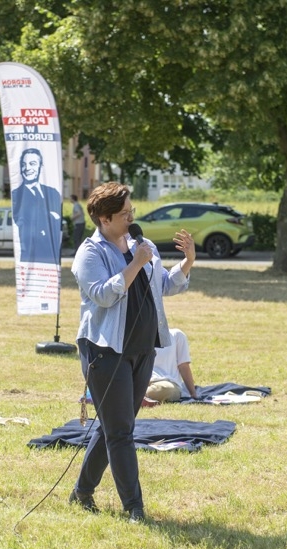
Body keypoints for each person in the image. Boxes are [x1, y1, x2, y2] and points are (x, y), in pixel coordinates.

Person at [69, 181, 196, 523]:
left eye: (132, 212)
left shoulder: (143, 245)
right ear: (105, 219)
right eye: (125, 214)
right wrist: (135, 264)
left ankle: (81, 492)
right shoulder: (90, 253)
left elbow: (164, 287)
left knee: (114, 425)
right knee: (121, 431)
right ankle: (134, 508)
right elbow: (103, 295)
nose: (131, 219)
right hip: (104, 350)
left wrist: (186, 263)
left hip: (142, 348)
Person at [11, 147, 63, 263]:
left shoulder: (53, 193)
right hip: (30, 255)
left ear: (41, 167)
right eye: (24, 164)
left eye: (32, 164)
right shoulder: (17, 195)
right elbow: (23, 221)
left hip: (52, 254)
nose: (27, 168)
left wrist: (41, 217)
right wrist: (49, 216)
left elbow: (58, 221)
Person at [142, 328, 198, 407]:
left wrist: (193, 393)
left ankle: (136, 397)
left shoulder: (176, 335)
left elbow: (183, 366)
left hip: (166, 383)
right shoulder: (140, 335)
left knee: (168, 390)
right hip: (141, 381)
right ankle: (137, 397)